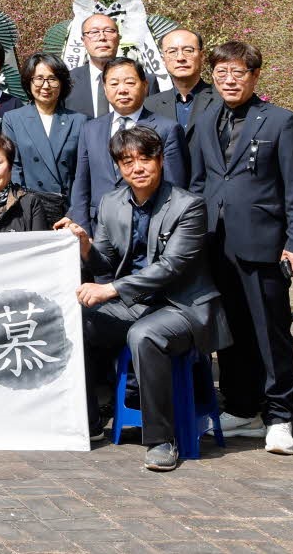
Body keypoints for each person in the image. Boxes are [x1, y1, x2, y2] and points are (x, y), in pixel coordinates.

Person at [56, 124, 225, 472]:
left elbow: (171, 267)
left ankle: (162, 439)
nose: (137, 168)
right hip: (135, 304)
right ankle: (87, 422)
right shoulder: (111, 203)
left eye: (145, 159)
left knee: (144, 335)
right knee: (75, 322)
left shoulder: (189, 206)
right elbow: (104, 263)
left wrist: (111, 290)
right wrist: (85, 245)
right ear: (118, 167)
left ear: (160, 160)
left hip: (182, 306)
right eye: (127, 161)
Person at [191, 39, 293, 457]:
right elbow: (200, 182)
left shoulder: (281, 121)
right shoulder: (206, 119)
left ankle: (279, 416)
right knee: (230, 332)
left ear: (255, 76)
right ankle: (242, 408)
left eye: (238, 72)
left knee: (270, 332)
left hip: (264, 243)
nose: (229, 80)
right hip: (215, 242)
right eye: (221, 73)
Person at [68, 58, 188, 232]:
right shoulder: (90, 129)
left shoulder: (167, 129)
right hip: (99, 227)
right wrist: (83, 230)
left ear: (145, 86)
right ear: (105, 88)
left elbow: (174, 188)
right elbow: (81, 184)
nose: (122, 90)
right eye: (114, 84)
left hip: (149, 227)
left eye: (130, 82)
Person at [3, 53, 84, 202]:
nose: (46, 86)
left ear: (61, 83)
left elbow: (82, 172)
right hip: (29, 205)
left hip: (68, 205)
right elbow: (14, 168)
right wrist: (22, 204)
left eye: (52, 79)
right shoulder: (13, 119)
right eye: (39, 78)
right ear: (29, 82)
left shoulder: (79, 121)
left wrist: (75, 209)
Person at [148, 27, 219, 147]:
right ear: (163, 60)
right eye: (172, 51)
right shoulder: (150, 106)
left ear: (202, 56)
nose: (180, 58)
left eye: (188, 50)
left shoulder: (220, 99)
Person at [64, 12, 121, 118]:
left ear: (118, 38)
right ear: (83, 41)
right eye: (94, 32)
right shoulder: (66, 82)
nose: (102, 37)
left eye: (109, 31)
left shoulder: (144, 81)